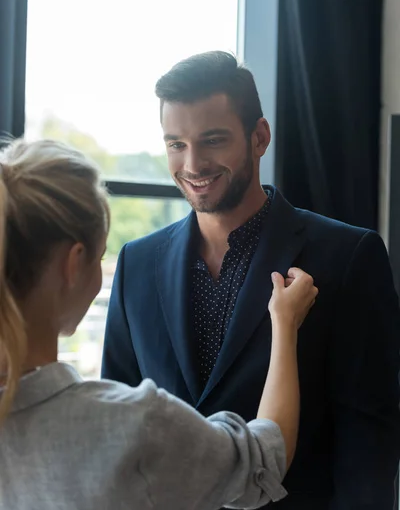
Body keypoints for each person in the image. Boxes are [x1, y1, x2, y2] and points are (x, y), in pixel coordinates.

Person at [102, 51, 400, 510]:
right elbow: (116, 433)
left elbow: (369, 448)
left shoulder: (348, 257)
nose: (193, 163)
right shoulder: (136, 265)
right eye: (176, 144)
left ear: (259, 137)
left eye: (213, 140)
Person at [0, 137, 318, 510]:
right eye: (99, 256)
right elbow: (263, 460)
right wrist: (283, 325)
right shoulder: (133, 423)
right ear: (73, 264)